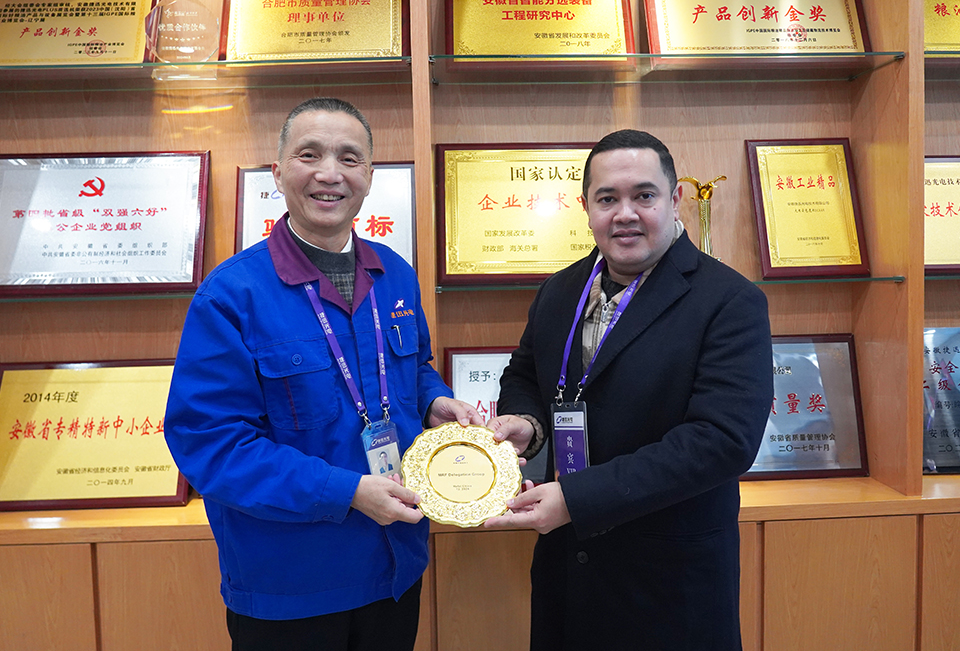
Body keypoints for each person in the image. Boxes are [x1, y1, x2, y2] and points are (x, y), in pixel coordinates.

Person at [164, 97, 481, 651]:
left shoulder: (395, 274)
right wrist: (346, 491)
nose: (330, 173)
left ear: (370, 176)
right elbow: (209, 442)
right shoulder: (231, 296)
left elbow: (413, 369)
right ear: (278, 172)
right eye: (309, 155)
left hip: (396, 564)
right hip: (290, 583)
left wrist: (435, 401)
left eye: (349, 158)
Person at [485, 129, 773, 651]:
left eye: (644, 195)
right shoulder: (560, 290)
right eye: (607, 199)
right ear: (586, 208)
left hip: (669, 583)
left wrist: (577, 498)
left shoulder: (730, 300)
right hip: (566, 574)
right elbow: (524, 375)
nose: (625, 214)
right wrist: (527, 423)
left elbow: (722, 440)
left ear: (674, 198)